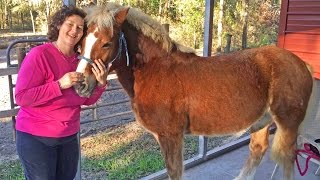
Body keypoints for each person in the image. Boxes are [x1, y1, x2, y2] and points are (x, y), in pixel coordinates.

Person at [15, 6, 109, 180]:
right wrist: (59, 85)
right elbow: (22, 97)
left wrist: (101, 84)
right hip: (36, 138)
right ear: (59, 25)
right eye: (70, 24)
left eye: (80, 27)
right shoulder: (39, 55)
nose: (74, 30)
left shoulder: (80, 61)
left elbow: (85, 100)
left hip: (68, 138)